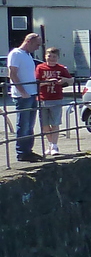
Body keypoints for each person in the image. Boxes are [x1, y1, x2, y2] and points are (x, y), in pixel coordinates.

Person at [6, 32, 41, 162]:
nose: (38, 47)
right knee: (23, 123)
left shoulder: (27, 55)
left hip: (31, 93)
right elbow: (13, 74)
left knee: (30, 124)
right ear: (29, 41)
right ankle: (22, 152)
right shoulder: (16, 54)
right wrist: (22, 91)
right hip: (23, 95)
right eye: (37, 44)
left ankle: (28, 150)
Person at [35, 46, 72, 157]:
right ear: (45, 56)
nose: (51, 58)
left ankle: (54, 145)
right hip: (43, 98)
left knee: (55, 123)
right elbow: (36, 83)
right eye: (49, 56)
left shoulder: (61, 68)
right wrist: (47, 81)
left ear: (58, 58)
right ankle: (50, 144)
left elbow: (71, 80)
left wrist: (64, 80)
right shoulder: (40, 67)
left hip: (56, 98)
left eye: (54, 56)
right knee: (45, 125)